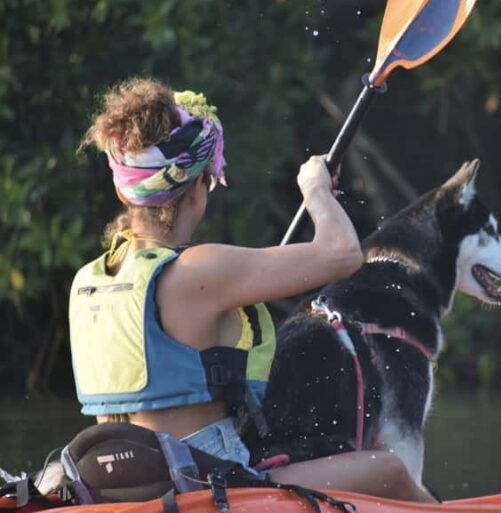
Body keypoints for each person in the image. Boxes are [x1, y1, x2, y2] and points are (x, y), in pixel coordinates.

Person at [68, 78, 435, 502]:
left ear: (122, 188)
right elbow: (343, 255)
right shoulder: (198, 270)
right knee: (386, 468)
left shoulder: (89, 282)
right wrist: (317, 192)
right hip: (207, 481)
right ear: (200, 185)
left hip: (121, 482)